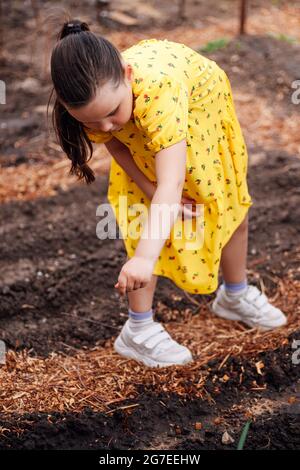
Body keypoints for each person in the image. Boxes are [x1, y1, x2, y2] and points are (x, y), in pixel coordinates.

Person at [50, 19, 287, 368]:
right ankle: (138, 330)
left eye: (112, 113)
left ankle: (235, 295)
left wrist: (146, 257)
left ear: (128, 75)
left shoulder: (160, 92)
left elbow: (172, 183)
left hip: (200, 126)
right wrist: (148, 189)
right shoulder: (100, 105)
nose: (104, 127)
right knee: (142, 220)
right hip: (153, 138)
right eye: (90, 122)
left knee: (228, 209)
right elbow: (117, 145)